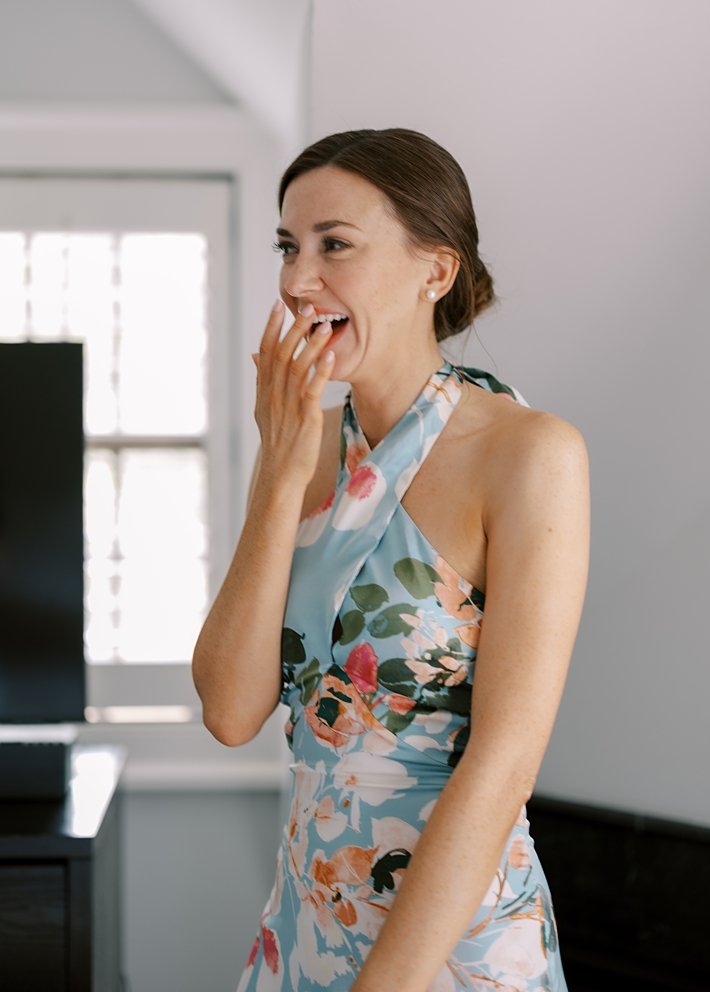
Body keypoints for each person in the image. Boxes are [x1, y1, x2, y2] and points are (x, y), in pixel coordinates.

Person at [192, 128, 587, 991]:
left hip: (451, 935)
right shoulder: (305, 449)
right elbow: (230, 710)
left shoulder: (529, 453)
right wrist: (278, 468)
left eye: (335, 245)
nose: (299, 280)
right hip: (307, 915)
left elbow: (505, 761)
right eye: (288, 247)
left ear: (434, 272)